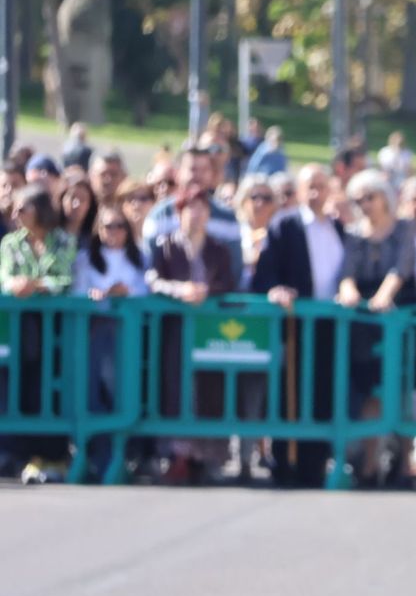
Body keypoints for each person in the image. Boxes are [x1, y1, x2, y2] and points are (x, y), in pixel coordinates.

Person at [252, 164, 347, 487]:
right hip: (295, 325)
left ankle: (315, 464)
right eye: (311, 186)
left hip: (330, 326)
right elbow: (265, 274)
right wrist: (275, 290)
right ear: (300, 190)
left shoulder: (338, 228)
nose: (317, 193)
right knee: (290, 392)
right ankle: (285, 462)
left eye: (322, 186)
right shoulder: (285, 225)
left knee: (323, 393)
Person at [147, 188, 234, 483]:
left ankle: (207, 457)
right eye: (190, 209)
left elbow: (228, 283)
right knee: (176, 387)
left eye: (202, 209)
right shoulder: (166, 246)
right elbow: (154, 280)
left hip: (209, 331)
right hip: (176, 329)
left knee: (209, 388)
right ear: (179, 213)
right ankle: (177, 454)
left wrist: (206, 292)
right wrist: (179, 290)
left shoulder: (218, 249)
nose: (196, 215)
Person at [337, 169, 415, 484]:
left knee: (404, 392)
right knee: (371, 390)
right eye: (358, 200)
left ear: (384, 197)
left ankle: (407, 463)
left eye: (370, 197)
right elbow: (347, 272)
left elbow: (402, 266)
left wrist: (385, 295)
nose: (365, 204)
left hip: (400, 316)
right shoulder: (355, 234)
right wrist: (348, 290)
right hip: (365, 325)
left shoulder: (403, 229)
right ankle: (370, 464)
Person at [0, 185, 78, 482]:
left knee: (53, 385)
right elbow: (5, 278)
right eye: (15, 209)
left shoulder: (62, 241)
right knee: (23, 384)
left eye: (23, 208)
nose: (17, 214)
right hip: (21, 325)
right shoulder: (10, 243)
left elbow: (65, 278)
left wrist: (37, 285)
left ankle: (55, 455)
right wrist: (17, 285)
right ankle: (22, 453)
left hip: (58, 325)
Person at [72, 206, 148, 480]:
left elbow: (145, 289)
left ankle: (124, 456)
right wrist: (98, 295)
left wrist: (124, 293)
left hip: (126, 335)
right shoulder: (86, 258)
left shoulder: (139, 257)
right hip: (95, 332)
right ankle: (98, 457)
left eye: (119, 226)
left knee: (122, 394)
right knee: (94, 394)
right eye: (107, 226)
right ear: (98, 230)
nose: (114, 232)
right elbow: (78, 291)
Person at [142, 143, 242, 289]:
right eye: (193, 169)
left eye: (204, 170)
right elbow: (149, 268)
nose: (198, 176)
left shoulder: (227, 218)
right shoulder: (159, 216)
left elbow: (234, 271)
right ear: (179, 172)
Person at [234, 174, 278, 290]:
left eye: (267, 198)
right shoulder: (234, 232)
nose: (260, 203)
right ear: (243, 201)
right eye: (254, 197)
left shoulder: (279, 236)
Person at [57, 173, 98, 246]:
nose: (76, 204)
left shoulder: (95, 240)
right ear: (62, 199)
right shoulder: (50, 235)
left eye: (82, 199)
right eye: (72, 198)